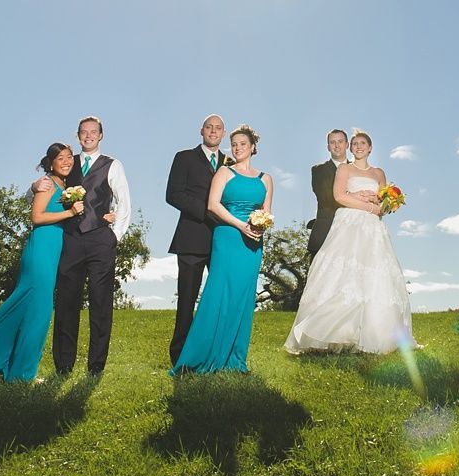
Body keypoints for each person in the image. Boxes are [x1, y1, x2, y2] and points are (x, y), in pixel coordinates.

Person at [0, 143, 86, 382]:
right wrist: (70, 213)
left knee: (28, 308)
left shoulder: (65, 185)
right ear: (51, 162)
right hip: (41, 251)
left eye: (70, 157)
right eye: (61, 158)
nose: (67, 161)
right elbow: (36, 218)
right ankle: (19, 372)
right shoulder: (46, 183)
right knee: (39, 310)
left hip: (54, 249)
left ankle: (11, 367)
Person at [285, 130, 418, 354]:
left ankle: (375, 334)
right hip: (349, 224)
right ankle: (334, 332)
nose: (358, 146)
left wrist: (377, 200)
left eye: (362, 143)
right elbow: (338, 196)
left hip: (374, 228)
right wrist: (362, 200)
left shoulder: (379, 173)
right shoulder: (344, 169)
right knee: (344, 275)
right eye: (355, 143)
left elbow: (384, 204)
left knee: (374, 276)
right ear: (350, 147)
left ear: (370, 147)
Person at [171, 124, 273, 373]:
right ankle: (198, 355)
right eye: (234, 144)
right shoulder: (224, 172)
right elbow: (213, 206)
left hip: (252, 243)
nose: (237, 148)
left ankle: (235, 357)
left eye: (243, 144)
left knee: (243, 298)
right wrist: (240, 225)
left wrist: (260, 226)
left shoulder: (266, 178)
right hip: (228, 236)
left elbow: (266, 212)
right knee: (218, 293)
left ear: (253, 148)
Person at [45, 116, 130, 376]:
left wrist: (114, 236)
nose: (89, 136)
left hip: (100, 240)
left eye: (94, 132)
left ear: (101, 135)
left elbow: (124, 202)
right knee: (66, 302)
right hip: (70, 239)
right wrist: (36, 185)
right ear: (78, 136)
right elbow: (47, 187)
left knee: (100, 302)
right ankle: (63, 364)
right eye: (84, 132)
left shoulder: (113, 165)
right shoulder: (69, 162)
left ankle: (96, 365)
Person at [164, 114, 229, 366]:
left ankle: (216, 354)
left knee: (219, 298)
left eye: (218, 128)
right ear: (201, 130)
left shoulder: (231, 161)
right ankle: (180, 356)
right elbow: (173, 194)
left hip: (224, 239)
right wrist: (208, 211)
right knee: (187, 299)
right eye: (209, 127)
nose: (213, 131)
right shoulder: (184, 157)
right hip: (192, 237)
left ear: (224, 133)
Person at [306, 129, 350, 255]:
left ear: (347, 144)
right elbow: (325, 197)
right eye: (332, 142)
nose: (337, 145)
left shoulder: (357, 170)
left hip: (353, 232)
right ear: (328, 147)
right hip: (325, 232)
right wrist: (356, 197)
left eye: (340, 141)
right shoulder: (318, 170)